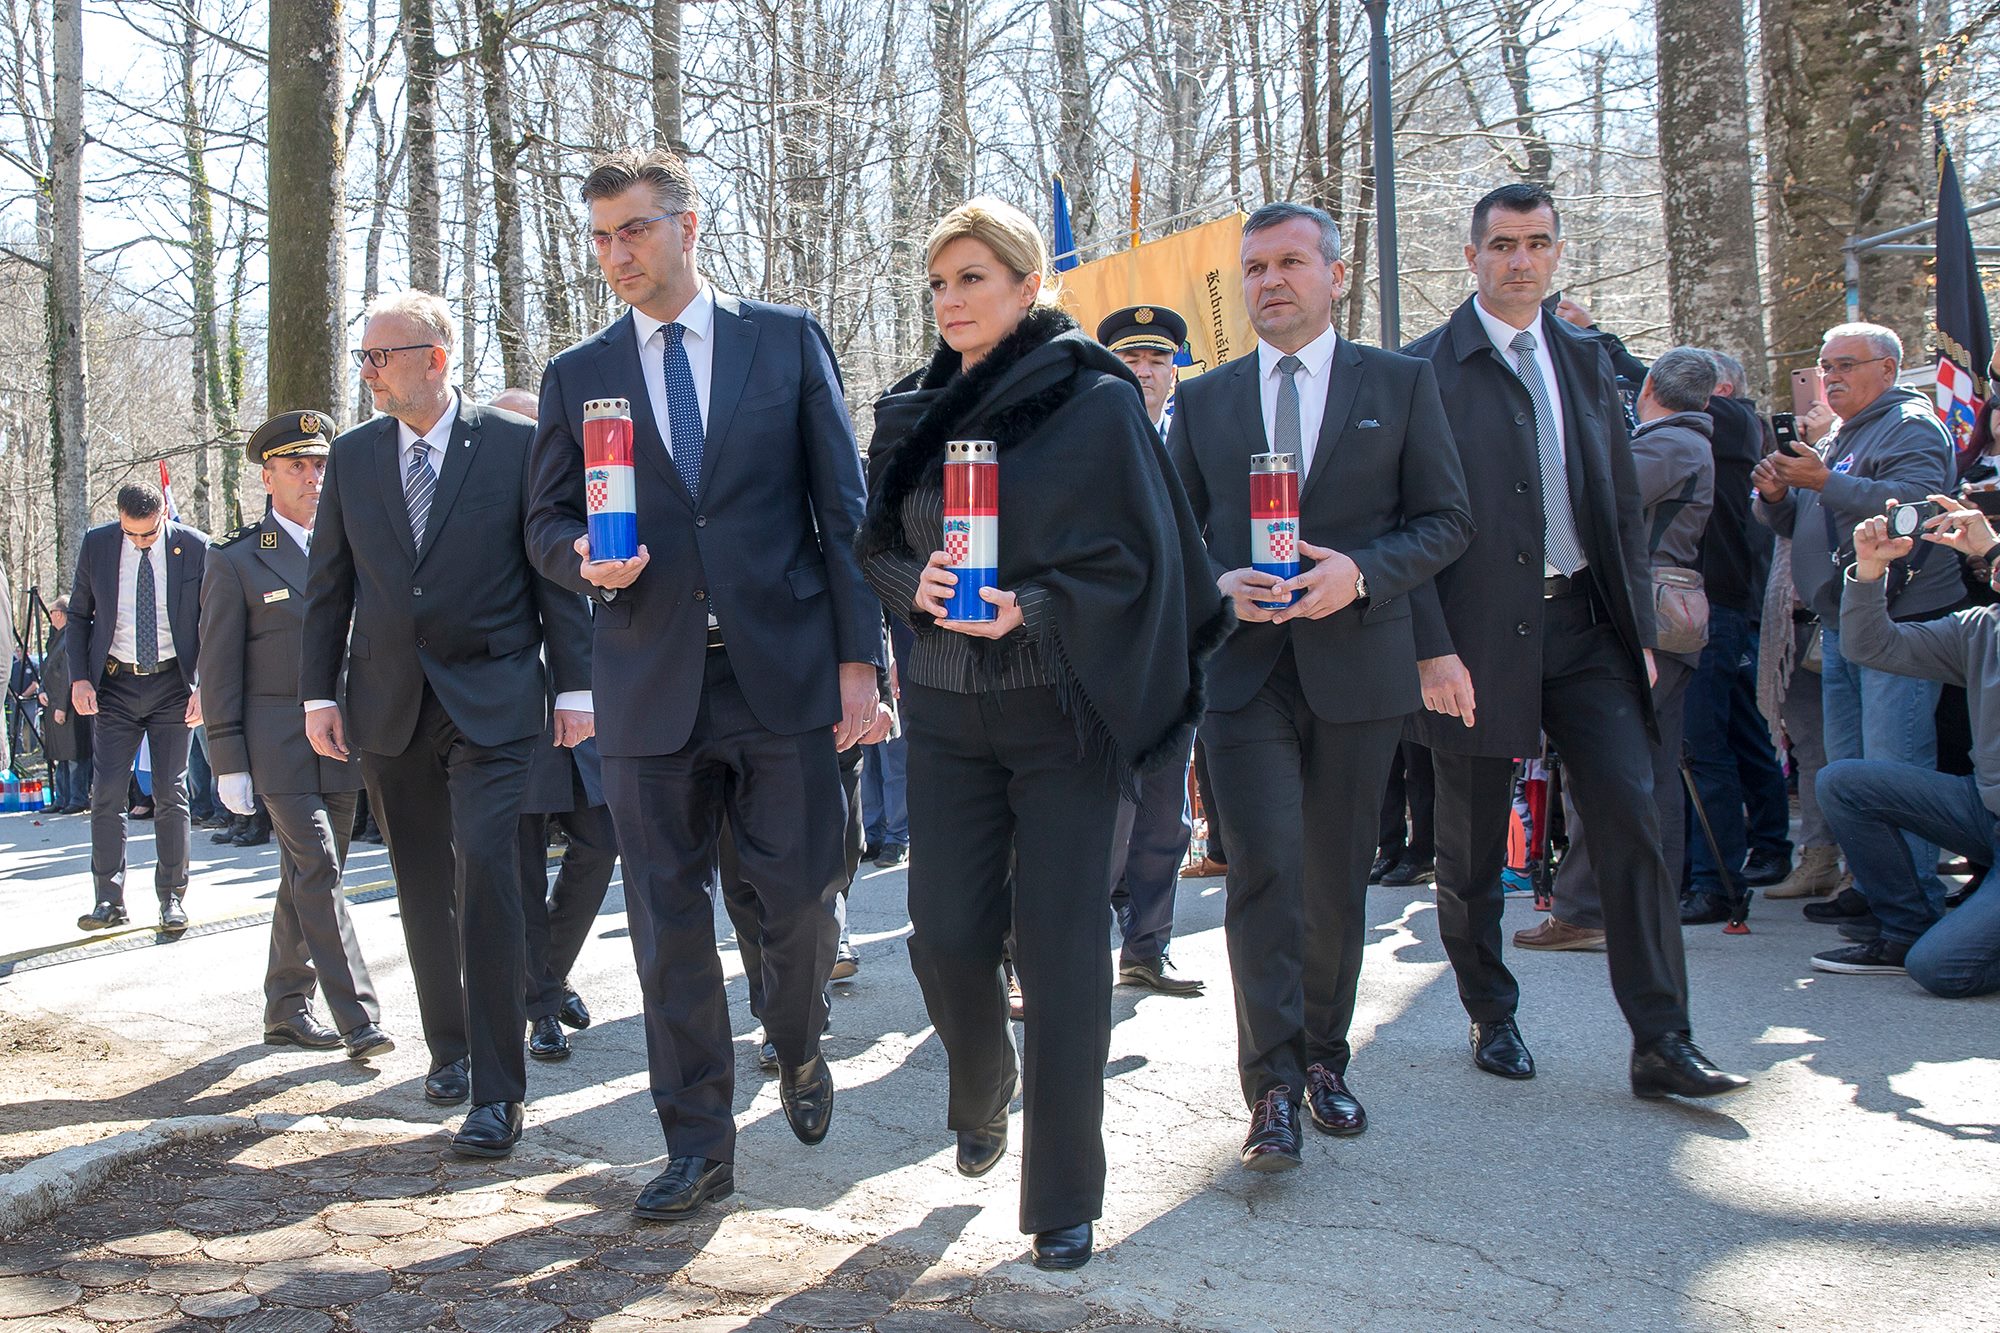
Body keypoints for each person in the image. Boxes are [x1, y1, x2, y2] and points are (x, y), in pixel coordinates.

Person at [860, 197, 1224, 1268]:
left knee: (1063, 954)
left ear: (1029, 285)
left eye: (973, 277)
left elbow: (1143, 559)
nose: (951, 299)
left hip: (1064, 713)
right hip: (943, 714)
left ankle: (1064, 1194)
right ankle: (982, 1084)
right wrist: (913, 585)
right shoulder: (908, 409)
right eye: (939, 282)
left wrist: (1039, 602)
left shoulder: (1094, 401)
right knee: (943, 934)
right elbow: (870, 543)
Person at [525, 147, 880, 1220]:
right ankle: (697, 1146)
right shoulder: (577, 373)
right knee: (666, 923)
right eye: (600, 237)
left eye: (633, 229)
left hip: (782, 674)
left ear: (687, 226)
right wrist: (580, 558)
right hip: (648, 681)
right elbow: (544, 521)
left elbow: (842, 511)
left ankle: (797, 1039)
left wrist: (859, 664)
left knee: (799, 897)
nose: (615, 254)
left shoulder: (785, 339)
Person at [1404, 183, 1747, 1099]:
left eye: (1538, 243)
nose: (1521, 260)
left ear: (1558, 253)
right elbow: (1404, 523)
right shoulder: (1423, 369)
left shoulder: (1588, 359)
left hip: (1589, 627)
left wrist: (1639, 627)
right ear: (1472, 257)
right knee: (1471, 847)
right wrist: (1430, 646)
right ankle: (1491, 1012)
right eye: (1503, 244)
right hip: (1473, 640)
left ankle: (1663, 1041)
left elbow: (1618, 504)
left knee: (1633, 819)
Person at [1170, 202, 1473, 1167]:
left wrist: (1362, 573)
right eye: (1256, 267)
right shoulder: (1205, 400)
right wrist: (1219, 584)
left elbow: (1447, 520)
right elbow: (1168, 533)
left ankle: (1323, 1060)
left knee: (1337, 876)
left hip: (1358, 666)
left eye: (1290, 263)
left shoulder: (1402, 383)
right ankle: (1269, 1089)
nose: (1271, 281)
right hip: (1245, 673)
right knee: (1264, 866)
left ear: (1334, 275)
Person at [302, 291, 594, 1159]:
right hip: (388, 703)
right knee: (421, 883)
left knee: (492, 876)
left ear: (435, 357)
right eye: (363, 356)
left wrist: (575, 687)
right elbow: (329, 584)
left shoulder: (515, 445)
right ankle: (450, 1050)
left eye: (380, 355)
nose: (367, 371)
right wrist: (317, 694)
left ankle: (501, 1093)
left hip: (495, 702)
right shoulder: (353, 456)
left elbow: (552, 577)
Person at [1753, 324, 1962, 938]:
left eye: (1846, 364)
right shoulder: (1841, 433)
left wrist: (1824, 481)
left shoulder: (1911, 426)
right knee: (1848, 769)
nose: (1832, 377)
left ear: (1888, 370)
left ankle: (1912, 910)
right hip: (1845, 622)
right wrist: (1777, 497)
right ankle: (1872, 890)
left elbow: (1916, 506)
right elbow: (1806, 520)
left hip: (1900, 623)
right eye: (1825, 366)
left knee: (1896, 767)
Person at [198, 411, 394, 1060]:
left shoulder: (353, 548)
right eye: (296, 467)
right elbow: (218, 668)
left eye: (319, 465)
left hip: (340, 739)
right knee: (320, 867)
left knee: (304, 878)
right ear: (267, 477)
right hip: (276, 743)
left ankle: (285, 1006)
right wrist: (227, 758)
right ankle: (359, 1017)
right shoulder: (236, 560)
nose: (312, 478)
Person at [1521, 347, 1717, 951]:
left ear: (1649, 385)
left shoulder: (1673, 443)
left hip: (1649, 612)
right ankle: (1627, 910)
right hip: (1655, 609)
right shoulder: (1683, 441)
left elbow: (1598, 493)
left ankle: (1601, 913)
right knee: (1636, 769)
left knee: (1624, 770)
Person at [1808, 496, 2000, 993]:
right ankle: (1905, 929)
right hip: (1986, 813)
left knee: (1942, 969)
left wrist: (1993, 549)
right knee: (1845, 782)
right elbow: (1872, 647)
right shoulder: (1983, 627)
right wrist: (1870, 571)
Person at [490, 385, 622, 1065]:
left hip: (587, 705)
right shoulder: (485, 508)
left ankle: (545, 974)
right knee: (519, 868)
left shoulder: (579, 501)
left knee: (601, 841)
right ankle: (539, 1006)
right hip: (516, 709)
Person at [1097, 301, 1205, 996]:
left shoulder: (1199, 433)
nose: (1144, 370)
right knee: (1104, 813)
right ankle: (1070, 950)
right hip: (1102, 652)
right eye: (1131, 358)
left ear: (1175, 369)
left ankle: (1147, 946)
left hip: (1178, 649)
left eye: (1157, 358)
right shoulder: (1084, 433)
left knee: (1166, 811)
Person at [67, 479, 207, 935]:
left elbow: (214, 620)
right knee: (107, 793)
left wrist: (205, 686)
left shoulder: (196, 547)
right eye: (132, 533)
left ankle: (172, 899)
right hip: (114, 686)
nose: (141, 542)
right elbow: (79, 615)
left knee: (171, 792)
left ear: (164, 513)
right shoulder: (99, 545)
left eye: (148, 533)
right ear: (119, 520)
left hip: (173, 685)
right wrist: (79, 678)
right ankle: (108, 899)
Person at [39, 596, 92, 813]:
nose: (50, 617)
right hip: (53, 703)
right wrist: (42, 690)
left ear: (59, 614)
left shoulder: (71, 637)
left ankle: (77, 798)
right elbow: (48, 670)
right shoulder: (56, 638)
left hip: (69, 707)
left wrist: (61, 706)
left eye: (51, 612)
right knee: (60, 756)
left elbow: (67, 675)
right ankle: (62, 798)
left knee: (74, 755)